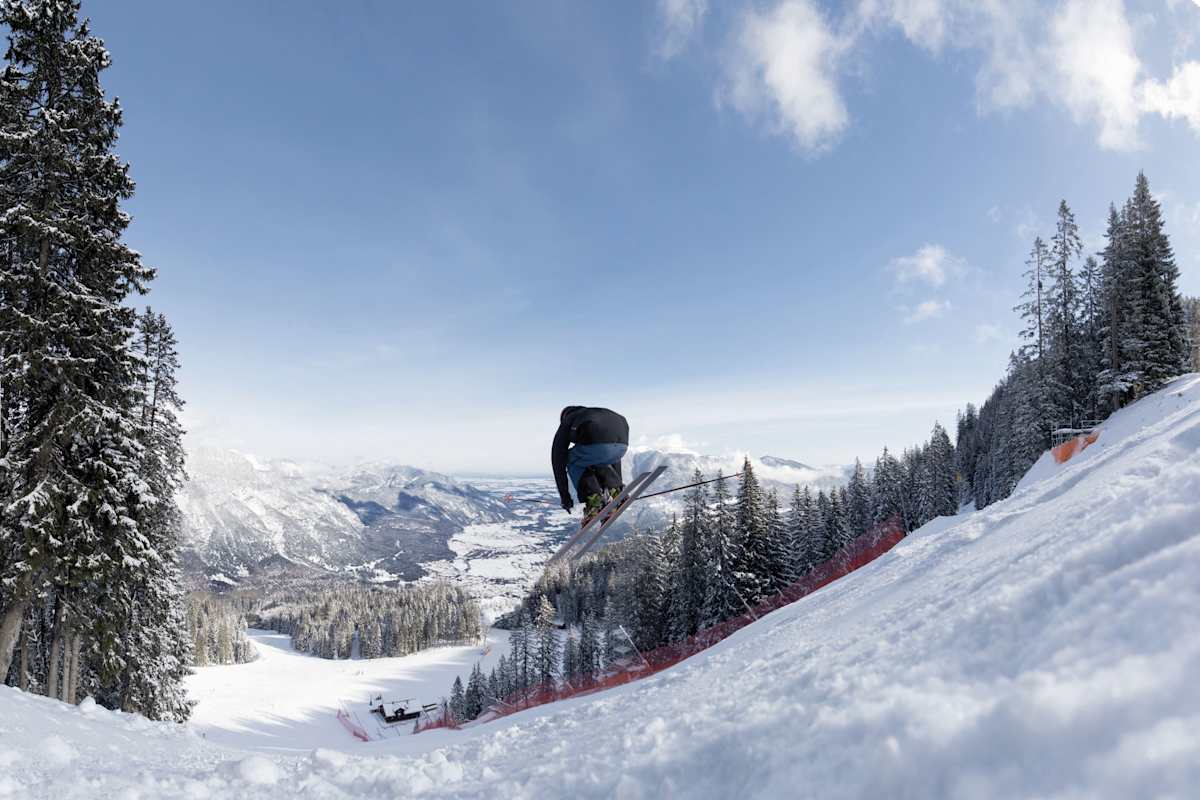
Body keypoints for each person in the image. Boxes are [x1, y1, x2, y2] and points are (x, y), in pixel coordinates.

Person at [551, 406, 629, 518]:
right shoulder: (590, 415)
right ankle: (616, 491)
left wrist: (565, 497)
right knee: (595, 458)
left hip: (599, 446)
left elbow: (558, 460)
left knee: (570, 459)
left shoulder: (568, 420)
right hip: (622, 445)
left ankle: (593, 501)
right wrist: (618, 488)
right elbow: (610, 456)